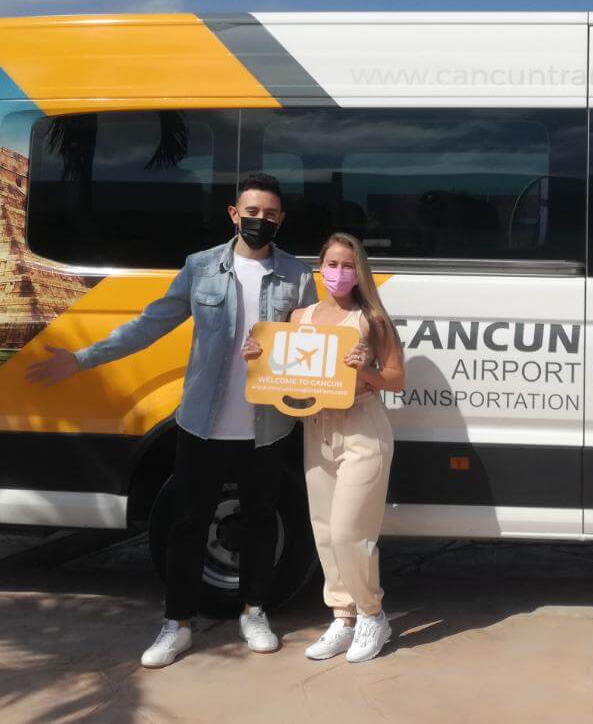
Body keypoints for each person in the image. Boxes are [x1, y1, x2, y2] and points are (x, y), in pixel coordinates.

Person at [26, 173, 316, 668]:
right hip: (202, 423)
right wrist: (81, 359)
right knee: (188, 524)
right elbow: (150, 324)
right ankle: (176, 623)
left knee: (261, 523)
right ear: (234, 214)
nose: (259, 221)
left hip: (267, 426)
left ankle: (254, 611)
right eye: (252, 212)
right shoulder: (201, 268)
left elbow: (311, 344)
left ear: (281, 219)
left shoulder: (296, 275)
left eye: (269, 214)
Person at [243, 231, 404, 664]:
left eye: (348, 266)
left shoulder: (372, 320)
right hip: (317, 429)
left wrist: (366, 370)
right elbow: (286, 374)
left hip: (362, 428)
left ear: (360, 271)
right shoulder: (302, 317)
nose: (338, 273)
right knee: (326, 531)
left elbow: (396, 379)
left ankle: (373, 615)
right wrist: (257, 357)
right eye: (332, 264)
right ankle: (343, 616)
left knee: (353, 531)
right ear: (320, 267)